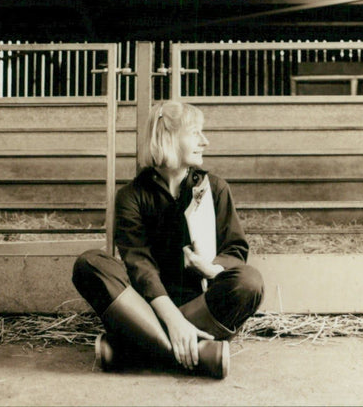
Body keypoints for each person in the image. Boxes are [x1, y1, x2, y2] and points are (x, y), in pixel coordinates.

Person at [72, 101, 264, 378]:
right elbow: (140, 266)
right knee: (89, 264)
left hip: (201, 305)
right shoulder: (131, 196)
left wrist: (212, 269)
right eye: (195, 133)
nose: (205, 141)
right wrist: (172, 319)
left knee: (250, 281)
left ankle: (134, 348)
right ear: (169, 137)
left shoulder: (215, 188)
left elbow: (235, 248)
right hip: (146, 305)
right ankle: (193, 352)